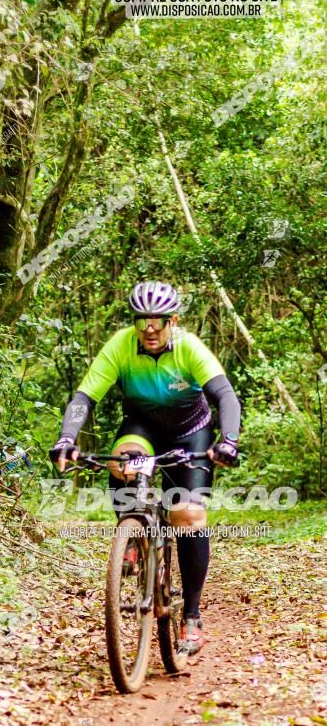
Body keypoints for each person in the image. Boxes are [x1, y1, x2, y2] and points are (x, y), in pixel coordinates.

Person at [49, 281, 240, 656]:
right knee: (124, 462)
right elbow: (83, 398)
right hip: (142, 429)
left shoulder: (189, 348)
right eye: (142, 321)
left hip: (191, 433)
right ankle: (133, 533)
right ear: (134, 322)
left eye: (157, 321)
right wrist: (67, 438)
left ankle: (192, 617)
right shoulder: (120, 346)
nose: (149, 329)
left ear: (173, 320)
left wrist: (228, 440)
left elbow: (225, 395)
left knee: (188, 514)